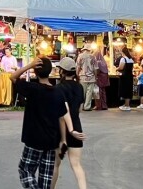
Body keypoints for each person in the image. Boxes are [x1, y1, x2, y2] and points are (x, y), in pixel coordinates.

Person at [11, 57, 71, 189]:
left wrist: (29, 65)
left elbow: (13, 77)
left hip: (34, 139)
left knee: (25, 170)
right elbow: (62, 117)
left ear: (36, 72)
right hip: (51, 140)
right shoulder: (58, 92)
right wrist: (63, 139)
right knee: (45, 178)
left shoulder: (33, 89)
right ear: (50, 71)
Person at [51, 57, 88, 189]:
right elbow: (79, 109)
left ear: (62, 71)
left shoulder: (58, 88)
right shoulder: (79, 87)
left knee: (55, 164)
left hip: (60, 131)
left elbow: (60, 114)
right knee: (77, 165)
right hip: (77, 129)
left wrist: (63, 138)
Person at [75, 47, 96, 111]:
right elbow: (95, 68)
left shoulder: (80, 56)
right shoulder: (93, 57)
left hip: (83, 76)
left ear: (84, 50)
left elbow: (78, 66)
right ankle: (87, 107)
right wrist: (95, 75)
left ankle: (80, 106)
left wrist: (77, 75)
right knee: (89, 93)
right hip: (91, 77)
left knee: (82, 92)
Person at [117, 47, 135, 111]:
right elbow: (131, 68)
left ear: (123, 52)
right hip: (130, 76)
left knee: (125, 90)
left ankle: (127, 106)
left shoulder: (123, 59)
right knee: (129, 89)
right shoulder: (131, 59)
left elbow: (121, 68)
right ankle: (126, 104)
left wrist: (116, 69)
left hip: (124, 76)